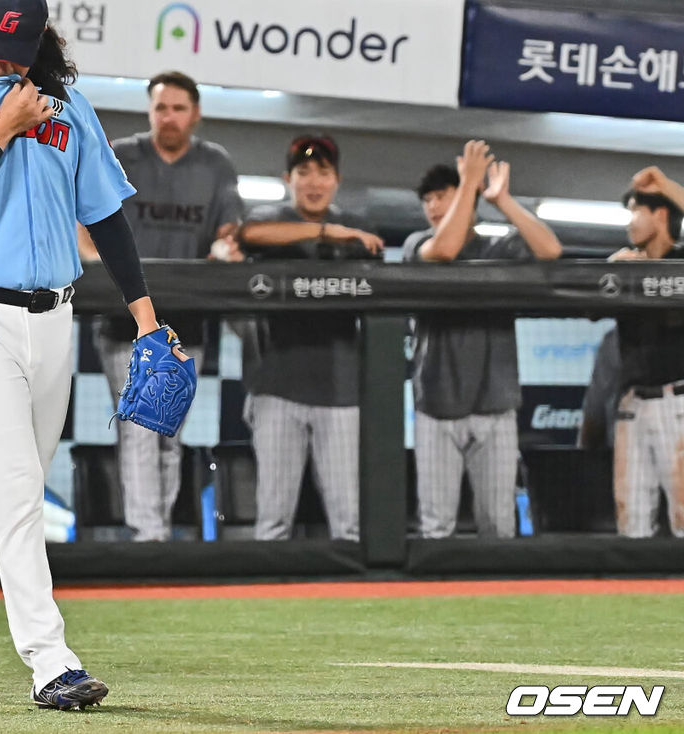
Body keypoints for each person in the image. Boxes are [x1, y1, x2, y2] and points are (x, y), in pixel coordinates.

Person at [0, 0, 185, 709]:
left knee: (7, 491)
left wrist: (146, 316)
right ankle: (50, 660)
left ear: (37, 44)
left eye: (14, 52)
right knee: (22, 487)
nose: (1, 63)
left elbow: (109, 218)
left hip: (54, 315)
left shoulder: (71, 109)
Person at [78, 70, 244, 542]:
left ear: (196, 114)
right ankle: (146, 536)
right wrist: (98, 267)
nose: (167, 117)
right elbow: (83, 216)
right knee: (139, 428)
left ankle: (160, 531)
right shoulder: (123, 154)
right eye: (160, 107)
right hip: (124, 320)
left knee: (168, 432)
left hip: (187, 320)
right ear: (150, 111)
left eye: (177, 108)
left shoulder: (216, 164)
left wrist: (224, 248)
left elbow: (228, 230)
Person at [404, 142, 562, 539]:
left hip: (495, 405)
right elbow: (444, 250)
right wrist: (469, 182)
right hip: (435, 404)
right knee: (435, 526)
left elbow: (550, 249)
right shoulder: (416, 245)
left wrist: (501, 200)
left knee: (498, 524)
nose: (434, 206)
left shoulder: (498, 247)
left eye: (443, 195)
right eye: (428, 199)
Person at [237, 135, 383, 541]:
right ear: (288, 178)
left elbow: (374, 257)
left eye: (323, 173)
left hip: (340, 393)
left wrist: (338, 233)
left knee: (348, 522)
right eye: (304, 173)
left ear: (337, 180)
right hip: (275, 388)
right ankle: (265, 604)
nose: (314, 182)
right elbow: (250, 233)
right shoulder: (273, 221)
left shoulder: (359, 230)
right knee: (273, 521)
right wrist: (326, 232)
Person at [607, 166, 684, 537]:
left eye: (636, 211)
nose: (629, 223)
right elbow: (590, 304)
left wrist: (667, 186)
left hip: (678, 402)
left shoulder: (681, 260)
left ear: (661, 214)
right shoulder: (624, 266)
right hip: (633, 405)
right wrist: (613, 272)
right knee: (631, 520)